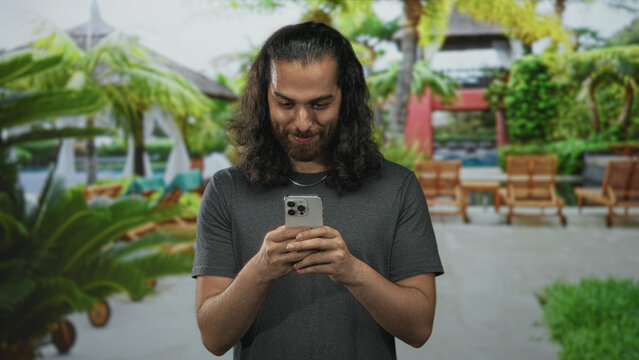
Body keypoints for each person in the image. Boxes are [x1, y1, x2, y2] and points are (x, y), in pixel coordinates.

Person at [192, 21, 443, 360]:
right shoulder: (226, 191)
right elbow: (213, 338)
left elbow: (419, 329)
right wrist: (261, 269)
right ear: (264, 97)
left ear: (347, 99)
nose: (302, 122)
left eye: (320, 104)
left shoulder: (397, 187)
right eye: (285, 103)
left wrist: (352, 271)